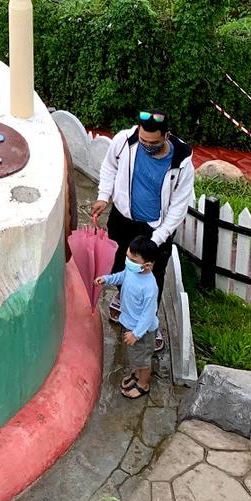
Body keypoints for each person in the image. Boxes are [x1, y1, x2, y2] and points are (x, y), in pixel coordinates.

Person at [91, 108, 194, 355]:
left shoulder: (181, 162)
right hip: (123, 218)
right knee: (117, 264)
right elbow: (109, 167)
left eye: (154, 142)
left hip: (156, 228)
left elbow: (179, 207)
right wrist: (104, 196)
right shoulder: (125, 140)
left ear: (167, 135)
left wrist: (156, 240)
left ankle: (148, 324)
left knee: (152, 277)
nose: (147, 145)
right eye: (143, 140)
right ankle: (123, 296)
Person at [97, 236, 160, 399]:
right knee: (136, 356)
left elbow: (148, 315)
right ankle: (137, 374)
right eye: (127, 257)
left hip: (142, 332)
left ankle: (143, 384)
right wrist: (107, 279)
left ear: (148, 265)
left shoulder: (149, 287)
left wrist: (136, 334)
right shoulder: (132, 271)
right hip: (130, 324)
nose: (128, 261)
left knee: (143, 360)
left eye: (133, 259)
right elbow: (121, 276)